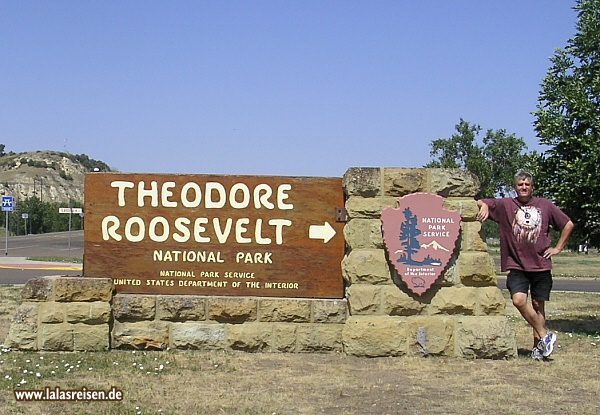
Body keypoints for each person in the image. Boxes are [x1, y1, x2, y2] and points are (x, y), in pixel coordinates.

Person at [477, 171, 574, 360]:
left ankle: (538, 349)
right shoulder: (506, 205)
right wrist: (484, 206)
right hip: (517, 265)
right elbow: (480, 201)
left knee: (539, 306)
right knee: (518, 301)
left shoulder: (545, 205)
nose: (524, 187)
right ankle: (545, 336)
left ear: (532, 187)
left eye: (527, 184)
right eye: (520, 184)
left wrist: (558, 248)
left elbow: (568, 224)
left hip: (541, 265)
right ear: (515, 187)